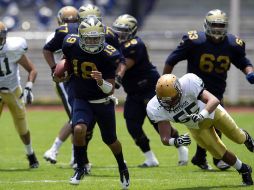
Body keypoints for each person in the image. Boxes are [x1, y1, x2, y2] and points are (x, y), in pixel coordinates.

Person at [163, 9, 254, 170]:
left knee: (210, 125)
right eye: (215, 24)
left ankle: (201, 157)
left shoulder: (233, 44)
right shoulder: (195, 41)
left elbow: (243, 61)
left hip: (217, 91)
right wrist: (165, 80)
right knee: (209, 125)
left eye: (221, 25)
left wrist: (250, 72)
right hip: (196, 92)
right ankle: (216, 158)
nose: (218, 28)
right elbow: (172, 59)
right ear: (207, 25)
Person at [43, 4, 124, 172]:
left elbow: (119, 60)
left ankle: (81, 159)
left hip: (100, 90)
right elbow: (60, 56)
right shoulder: (69, 38)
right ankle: (80, 161)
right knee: (80, 124)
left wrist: (114, 78)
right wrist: (58, 71)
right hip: (77, 84)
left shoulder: (108, 36)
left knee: (106, 136)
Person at [147, 73, 254, 186]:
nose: (169, 103)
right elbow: (164, 138)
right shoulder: (155, 107)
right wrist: (176, 141)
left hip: (212, 113)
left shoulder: (189, 83)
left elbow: (214, 100)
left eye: (172, 99)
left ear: (180, 90)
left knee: (238, 137)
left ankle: (246, 137)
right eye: (164, 100)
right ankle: (244, 169)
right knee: (219, 153)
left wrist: (202, 115)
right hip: (196, 127)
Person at [60, 17, 129, 188]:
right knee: (78, 129)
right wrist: (60, 73)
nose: (92, 42)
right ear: (81, 36)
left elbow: (110, 89)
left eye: (95, 38)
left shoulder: (108, 54)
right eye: (89, 38)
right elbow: (66, 61)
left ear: (102, 37)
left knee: (110, 140)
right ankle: (80, 167)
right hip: (82, 98)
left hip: (102, 100)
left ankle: (122, 167)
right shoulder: (70, 44)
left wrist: (100, 81)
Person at [112, 14, 189, 167]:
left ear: (132, 31)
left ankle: (181, 147)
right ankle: (150, 158)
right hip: (133, 92)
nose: (120, 34)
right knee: (132, 124)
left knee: (158, 123)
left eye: (123, 31)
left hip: (149, 88)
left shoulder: (135, 44)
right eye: (118, 31)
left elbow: (124, 65)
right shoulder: (117, 45)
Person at [0, 21, 39, 168]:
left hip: (12, 91)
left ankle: (30, 154)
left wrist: (28, 87)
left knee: (22, 127)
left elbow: (32, 70)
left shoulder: (14, 48)